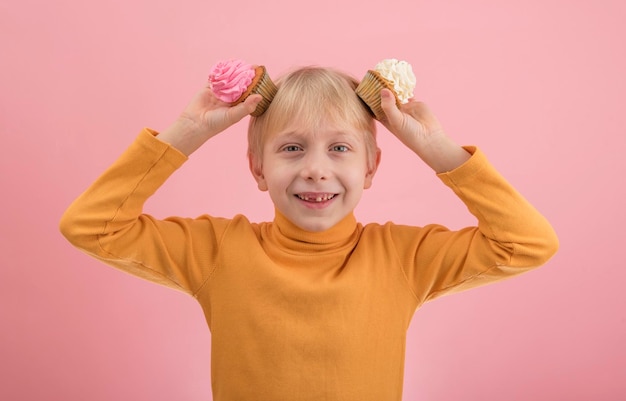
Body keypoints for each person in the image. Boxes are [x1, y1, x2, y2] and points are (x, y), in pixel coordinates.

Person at [59, 66, 559, 400]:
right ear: (257, 168)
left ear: (371, 169)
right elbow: (92, 225)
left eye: (340, 148)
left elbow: (528, 243)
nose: (316, 170)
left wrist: (438, 150)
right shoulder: (217, 251)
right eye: (292, 148)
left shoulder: (402, 257)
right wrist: (188, 131)